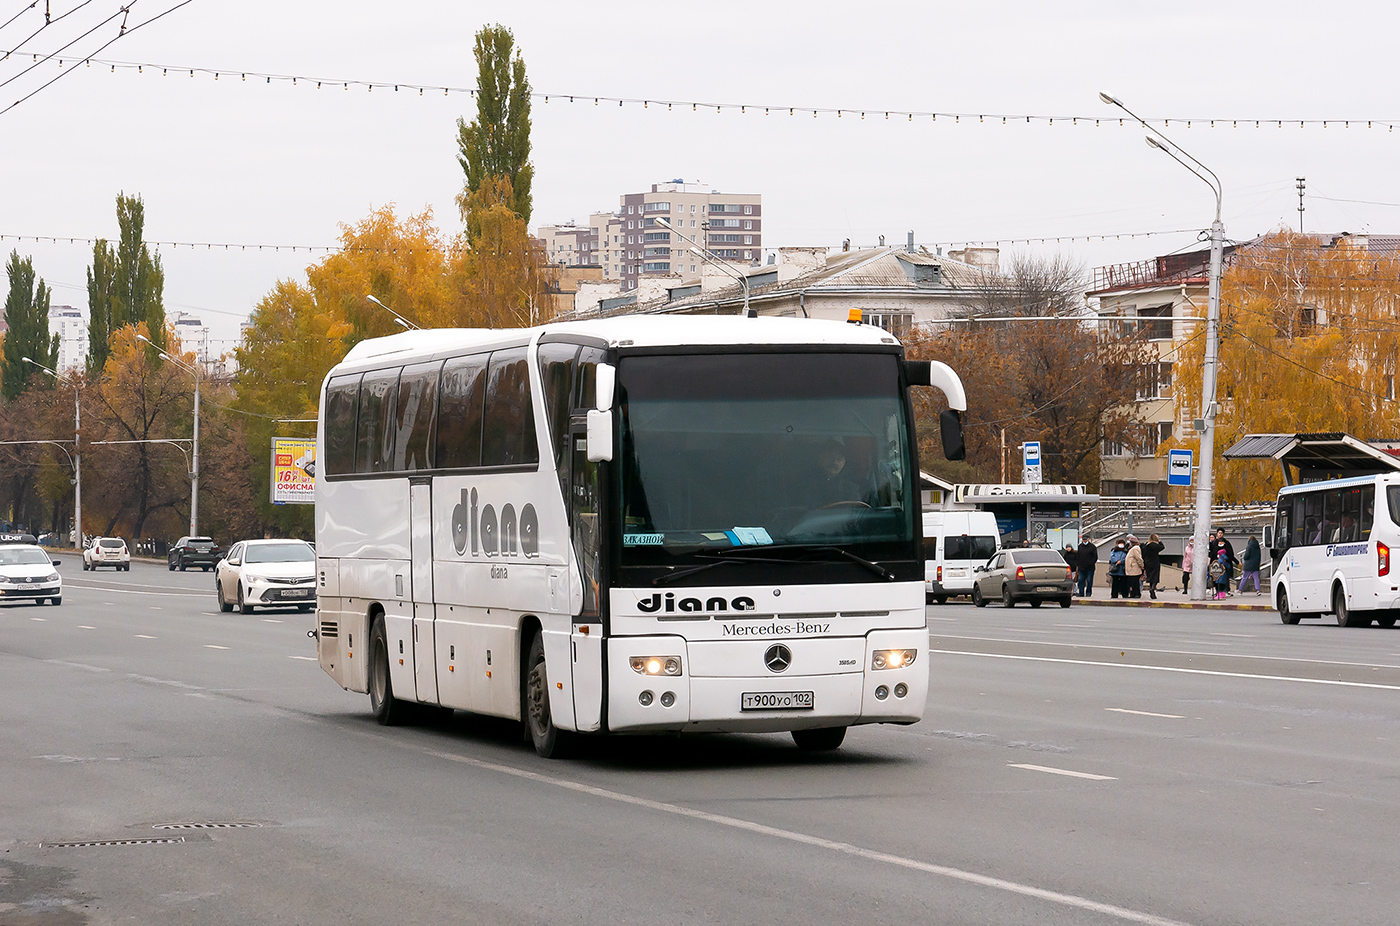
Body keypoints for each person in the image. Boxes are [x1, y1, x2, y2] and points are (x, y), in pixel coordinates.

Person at [1210, 529, 1237, 595]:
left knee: (1226, 577)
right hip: (1216, 563)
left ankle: (1226, 590)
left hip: (1225, 563)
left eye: (1221, 533)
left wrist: (1234, 561)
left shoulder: (1227, 543)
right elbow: (1211, 553)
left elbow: (1231, 554)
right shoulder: (1214, 543)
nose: (1220, 534)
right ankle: (1217, 590)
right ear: (1217, 533)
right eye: (1219, 533)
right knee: (1216, 577)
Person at [1142, 532, 1165, 600]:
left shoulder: (1146, 545)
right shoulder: (1154, 545)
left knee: (1150, 576)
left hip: (1147, 562)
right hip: (1154, 561)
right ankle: (1152, 588)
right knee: (1155, 576)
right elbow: (1162, 547)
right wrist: (1160, 541)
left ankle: (1151, 589)